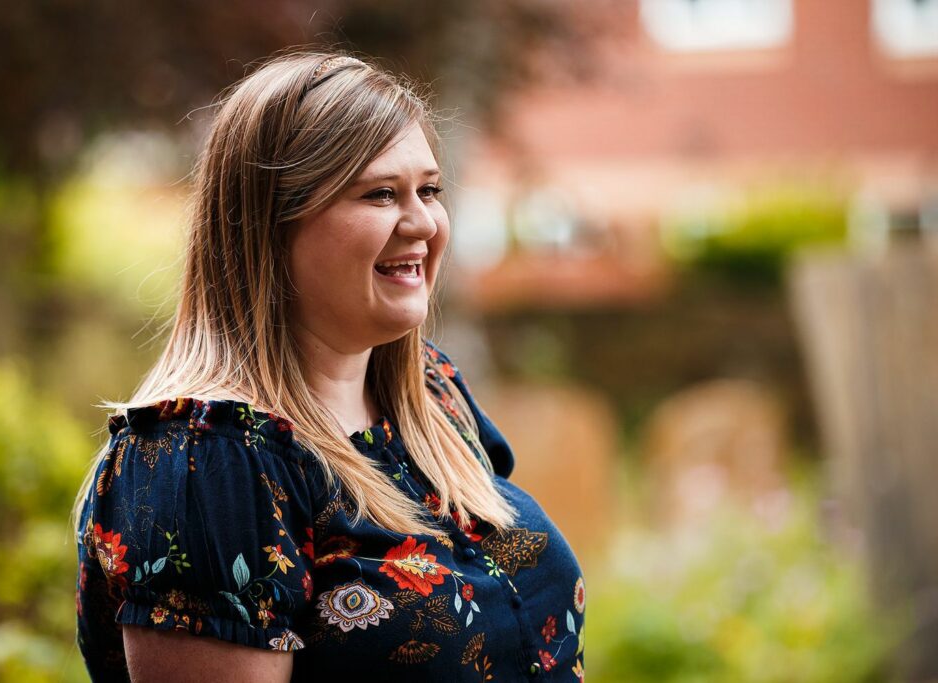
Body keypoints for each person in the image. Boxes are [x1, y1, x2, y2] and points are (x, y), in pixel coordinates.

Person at [73, 49, 587, 682]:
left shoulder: (432, 395)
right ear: (271, 225)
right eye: (380, 195)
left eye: (429, 190)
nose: (423, 222)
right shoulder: (210, 462)